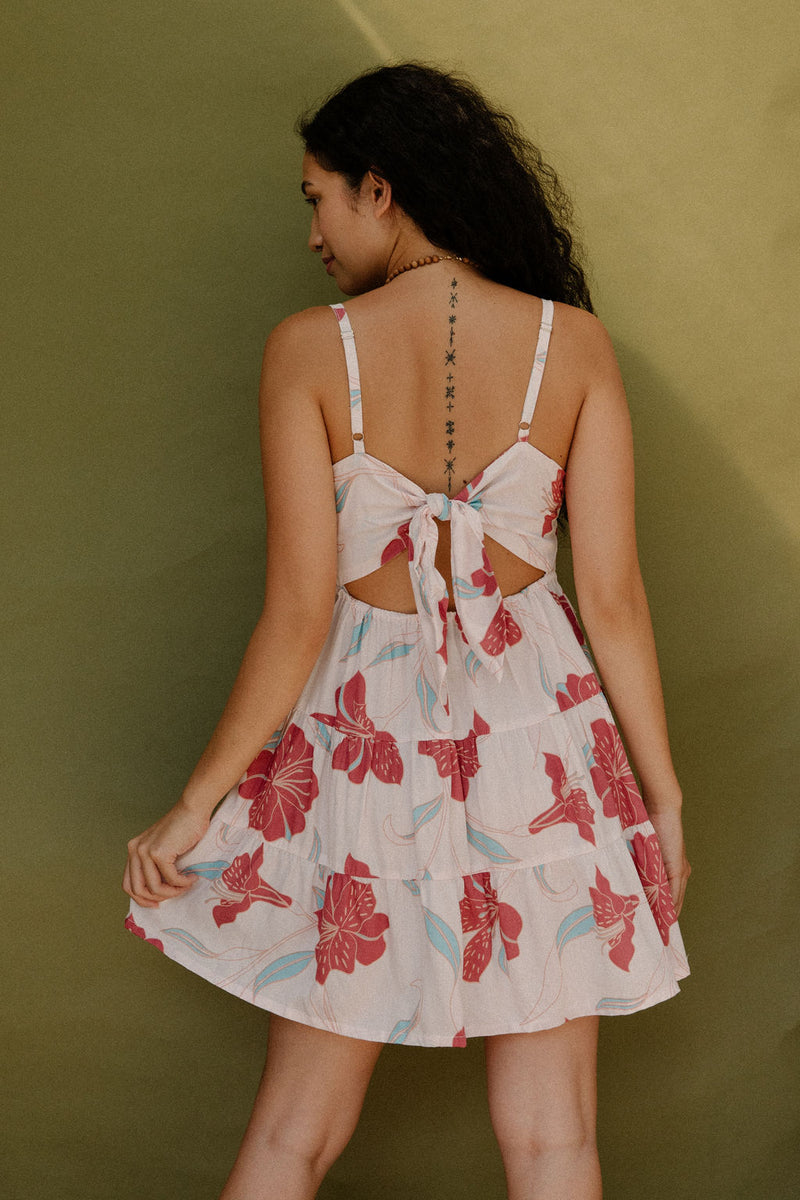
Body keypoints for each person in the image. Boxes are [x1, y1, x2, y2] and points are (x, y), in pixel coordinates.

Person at [122, 60, 691, 1200]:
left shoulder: (306, 348)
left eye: (318, 198)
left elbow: (295, 617)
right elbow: (614, 601)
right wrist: (661, 797)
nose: (315, 232)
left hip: (364, 735)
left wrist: (196, 804)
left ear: (379, 190)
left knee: (294, 1133)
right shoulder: (570, 345)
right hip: (544, 743)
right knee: (552, 1137)